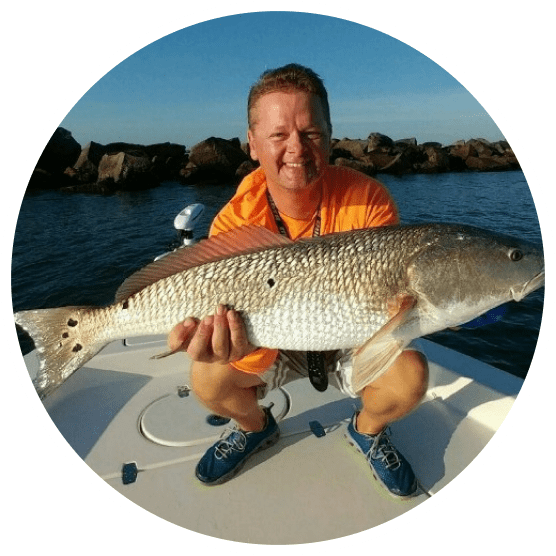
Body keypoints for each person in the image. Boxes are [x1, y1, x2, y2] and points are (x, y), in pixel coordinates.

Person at [168, 64, 428, 498]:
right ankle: (254, 427)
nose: (296, 148)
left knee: (411, 376)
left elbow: (392, 307)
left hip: (353, 333)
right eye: (278, 135)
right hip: (270, 336)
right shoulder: (235, 220)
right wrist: (236, 346)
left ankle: (366, 431)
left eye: (310, 133)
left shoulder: (369, 198)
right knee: (206, 377)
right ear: (252, 144)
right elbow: (237, 331)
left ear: (328, 135)